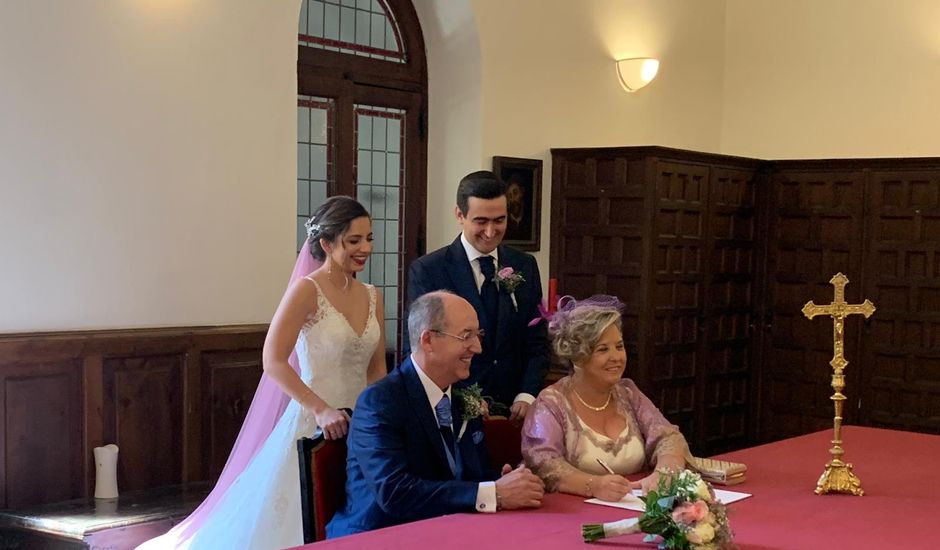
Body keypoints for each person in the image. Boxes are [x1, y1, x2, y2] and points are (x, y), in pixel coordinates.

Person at [138, 196, 386, 549]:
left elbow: (377, 368)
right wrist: (320, 408)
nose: (365, 248)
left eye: (369, 238)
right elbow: (273, 360)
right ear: (327, 244)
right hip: (313, 421)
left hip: (361, 425)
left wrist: (372, 416)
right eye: (354, 240)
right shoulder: (307, 291)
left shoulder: (373, 296)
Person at [327, 291, 544, 538]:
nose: (478, 347)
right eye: (466, 336)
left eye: (478, 335)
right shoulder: (381, 401)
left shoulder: (463, 395)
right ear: (428, 340)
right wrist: (492, 493)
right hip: (381, 534)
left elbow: (476, 475)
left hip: (450, 531)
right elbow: (394, 492)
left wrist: (505, 481)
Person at [405, 170, 550, 421]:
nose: (491, 231)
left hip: (516, 412)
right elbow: (423, 348)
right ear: (459, 215)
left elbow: (536, 340)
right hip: (453, 410)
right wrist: (464, 396)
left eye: (500, 220)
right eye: (481, 221)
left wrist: (527, 394)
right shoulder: (429, 270)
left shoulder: (524, 265)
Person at [521, 295, 690, 502]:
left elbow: (669, 437)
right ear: (577, 357)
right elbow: (544, 464)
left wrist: (665, 473)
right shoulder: (551, 403)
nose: (616, 357)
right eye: (603, 349)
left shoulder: (628, 392)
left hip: (635, 506)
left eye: (619, 346)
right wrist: (593, 485)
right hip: (570, 514)